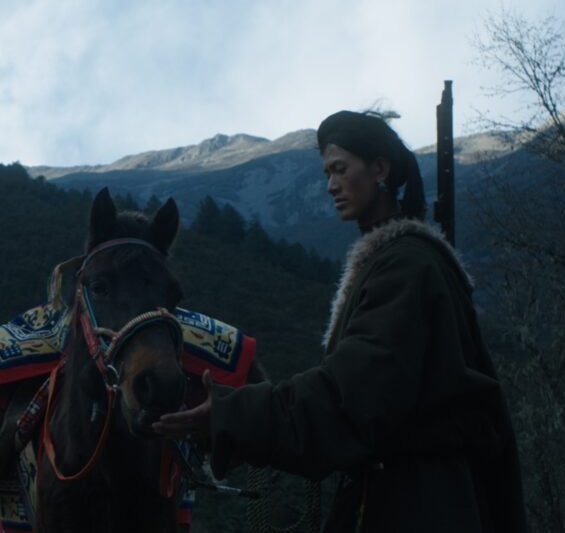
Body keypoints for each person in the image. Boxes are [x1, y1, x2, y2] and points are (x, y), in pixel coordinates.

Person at [153, 110, 527, 532]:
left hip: (421, 503)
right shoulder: (401, 261)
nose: (331, 186)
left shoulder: (406, 265)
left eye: (340, 170)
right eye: (327, 173)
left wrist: (231, 415)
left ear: (380, 169)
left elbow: (352, 396)